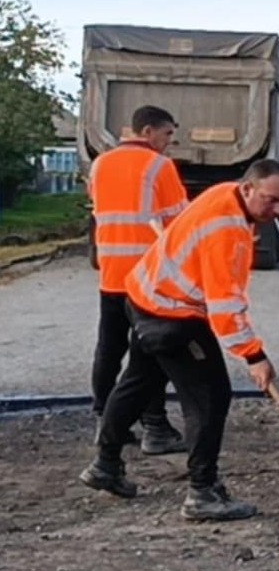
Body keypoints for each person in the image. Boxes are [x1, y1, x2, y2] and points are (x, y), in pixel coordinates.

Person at [77, 159, 279, 521]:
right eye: (271, 200)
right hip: (172, 316)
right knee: (211, 397)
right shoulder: (228, 231)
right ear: (247, 188)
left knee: (137, 383)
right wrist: (255, 356)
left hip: (144, 299)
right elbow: (225, 309)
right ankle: (202, 493)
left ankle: (104, 465)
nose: (278, 210)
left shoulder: (224, 194)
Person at [87, 105, 189, 454]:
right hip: (146, 279)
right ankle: (155, 427)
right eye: (166, 134)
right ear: (147, 132)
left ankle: (105, 420)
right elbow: (179, 223)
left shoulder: (100, 164)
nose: (169, 142)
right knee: (150, 355)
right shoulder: (160, 166)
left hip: (111, 273)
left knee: (109, 349)